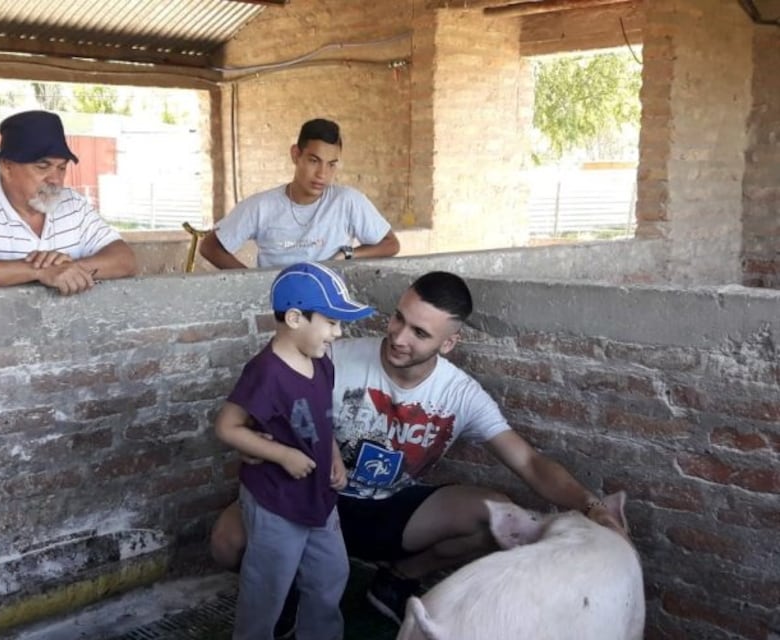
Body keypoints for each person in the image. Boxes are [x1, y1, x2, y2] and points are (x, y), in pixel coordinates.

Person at [210, 271, 625, 626]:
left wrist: (590, 505)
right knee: (226, 541)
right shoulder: (327, 356)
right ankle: (287, 593)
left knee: (498, 515)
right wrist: (262, 446)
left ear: (448, 343)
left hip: (392, 510)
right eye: (399, 318)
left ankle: (397, 578)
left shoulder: (461, 394)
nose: (399, 337)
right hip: (315, 495)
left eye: (420, 333)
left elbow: (530, 463)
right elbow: (255, 414)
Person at [214, 262, 375, 640]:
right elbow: (227, 427)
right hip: (276, 500)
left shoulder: (322, 364)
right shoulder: (266, 373)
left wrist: (333, 457)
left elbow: (321, 419)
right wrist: (282, 455)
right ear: (295, 318)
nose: (337, 333)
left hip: (318, 496)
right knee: (267, 586)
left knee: (331, 573)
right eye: (331, 322)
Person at [0, 110, 137, 295]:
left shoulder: (73, 205)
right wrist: (38, 271)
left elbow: (125, 259)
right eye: (43, 166)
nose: (55, 179)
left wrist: (71, 270)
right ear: (7, 167)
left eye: (61, 168)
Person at [198, 118, 400, 269]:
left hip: (329, 305)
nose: (322, 174)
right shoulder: (262, 206)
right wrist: (253, 282)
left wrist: (348, 254)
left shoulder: (347, 201)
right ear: (296, 155)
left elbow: (391, 244)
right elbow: (210, 247)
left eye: (331, 164)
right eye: (314, 161)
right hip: (279, 307)